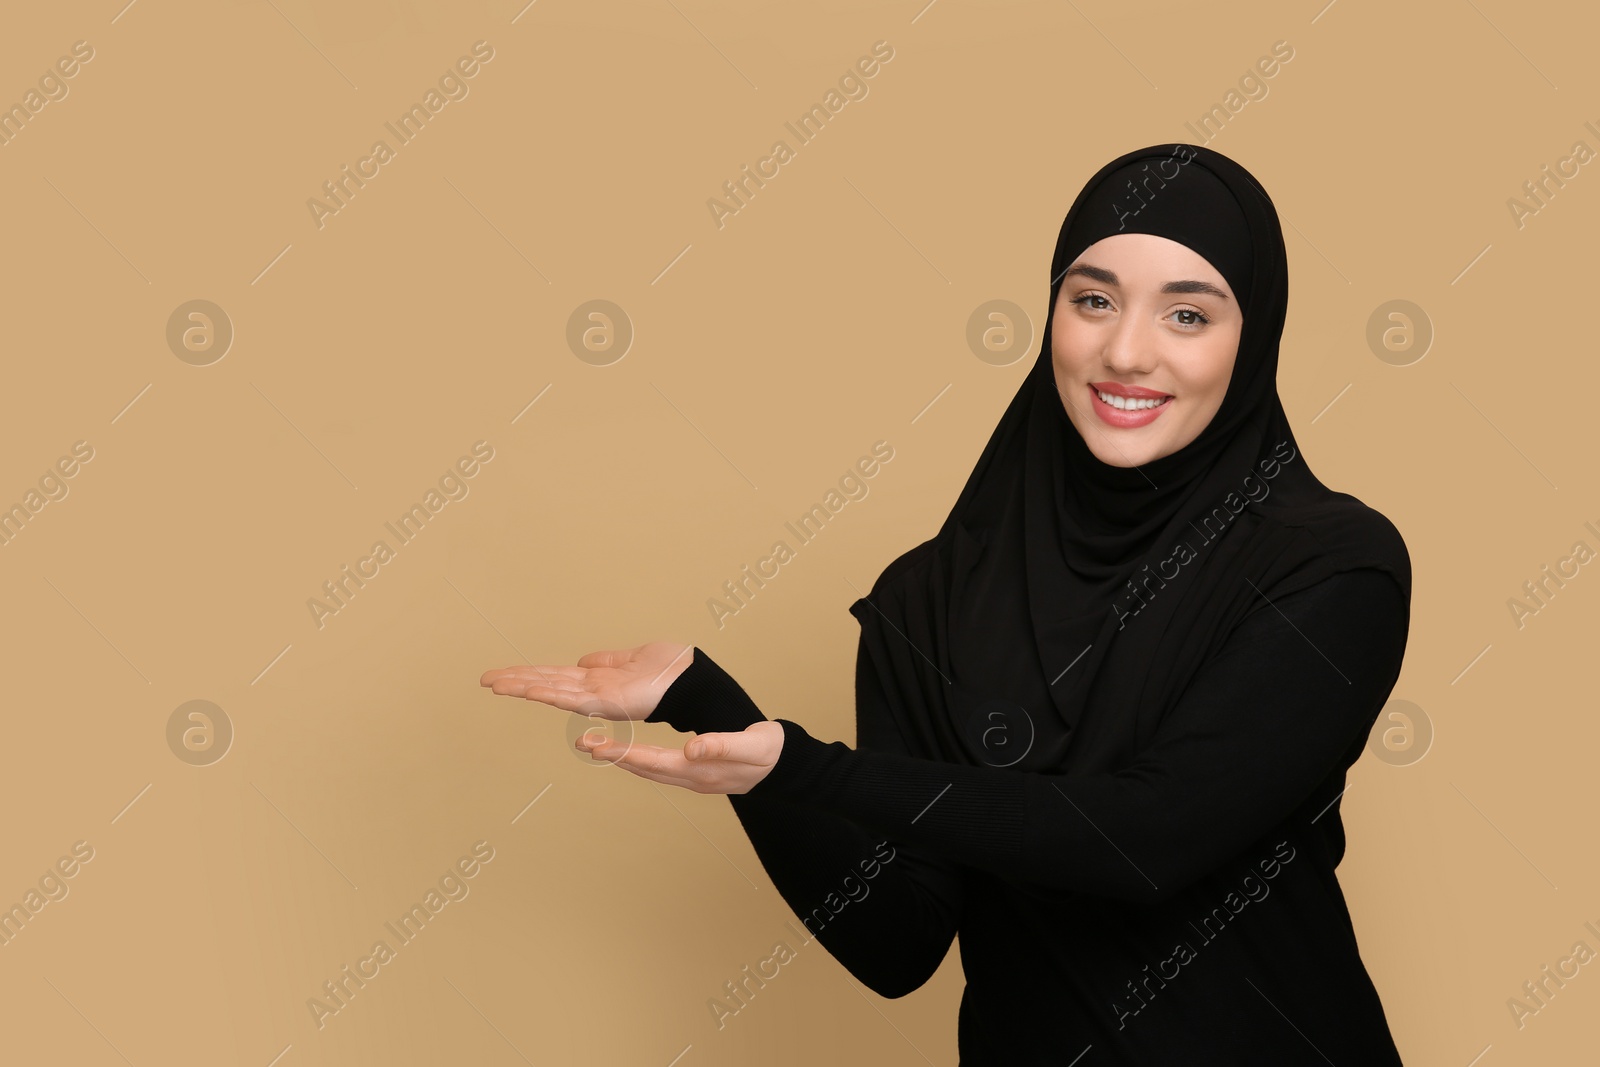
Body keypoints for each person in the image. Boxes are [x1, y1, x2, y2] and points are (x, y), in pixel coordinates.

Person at [481, 142, 1412, 1064]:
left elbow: (1143, 840)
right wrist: (726, 721)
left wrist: (812, 768)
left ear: (1253, 340)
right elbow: (898, 940)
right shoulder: (926, 598)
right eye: (1093, 300)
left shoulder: (1332, 570)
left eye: (1188, 314)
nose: (1126, 351)